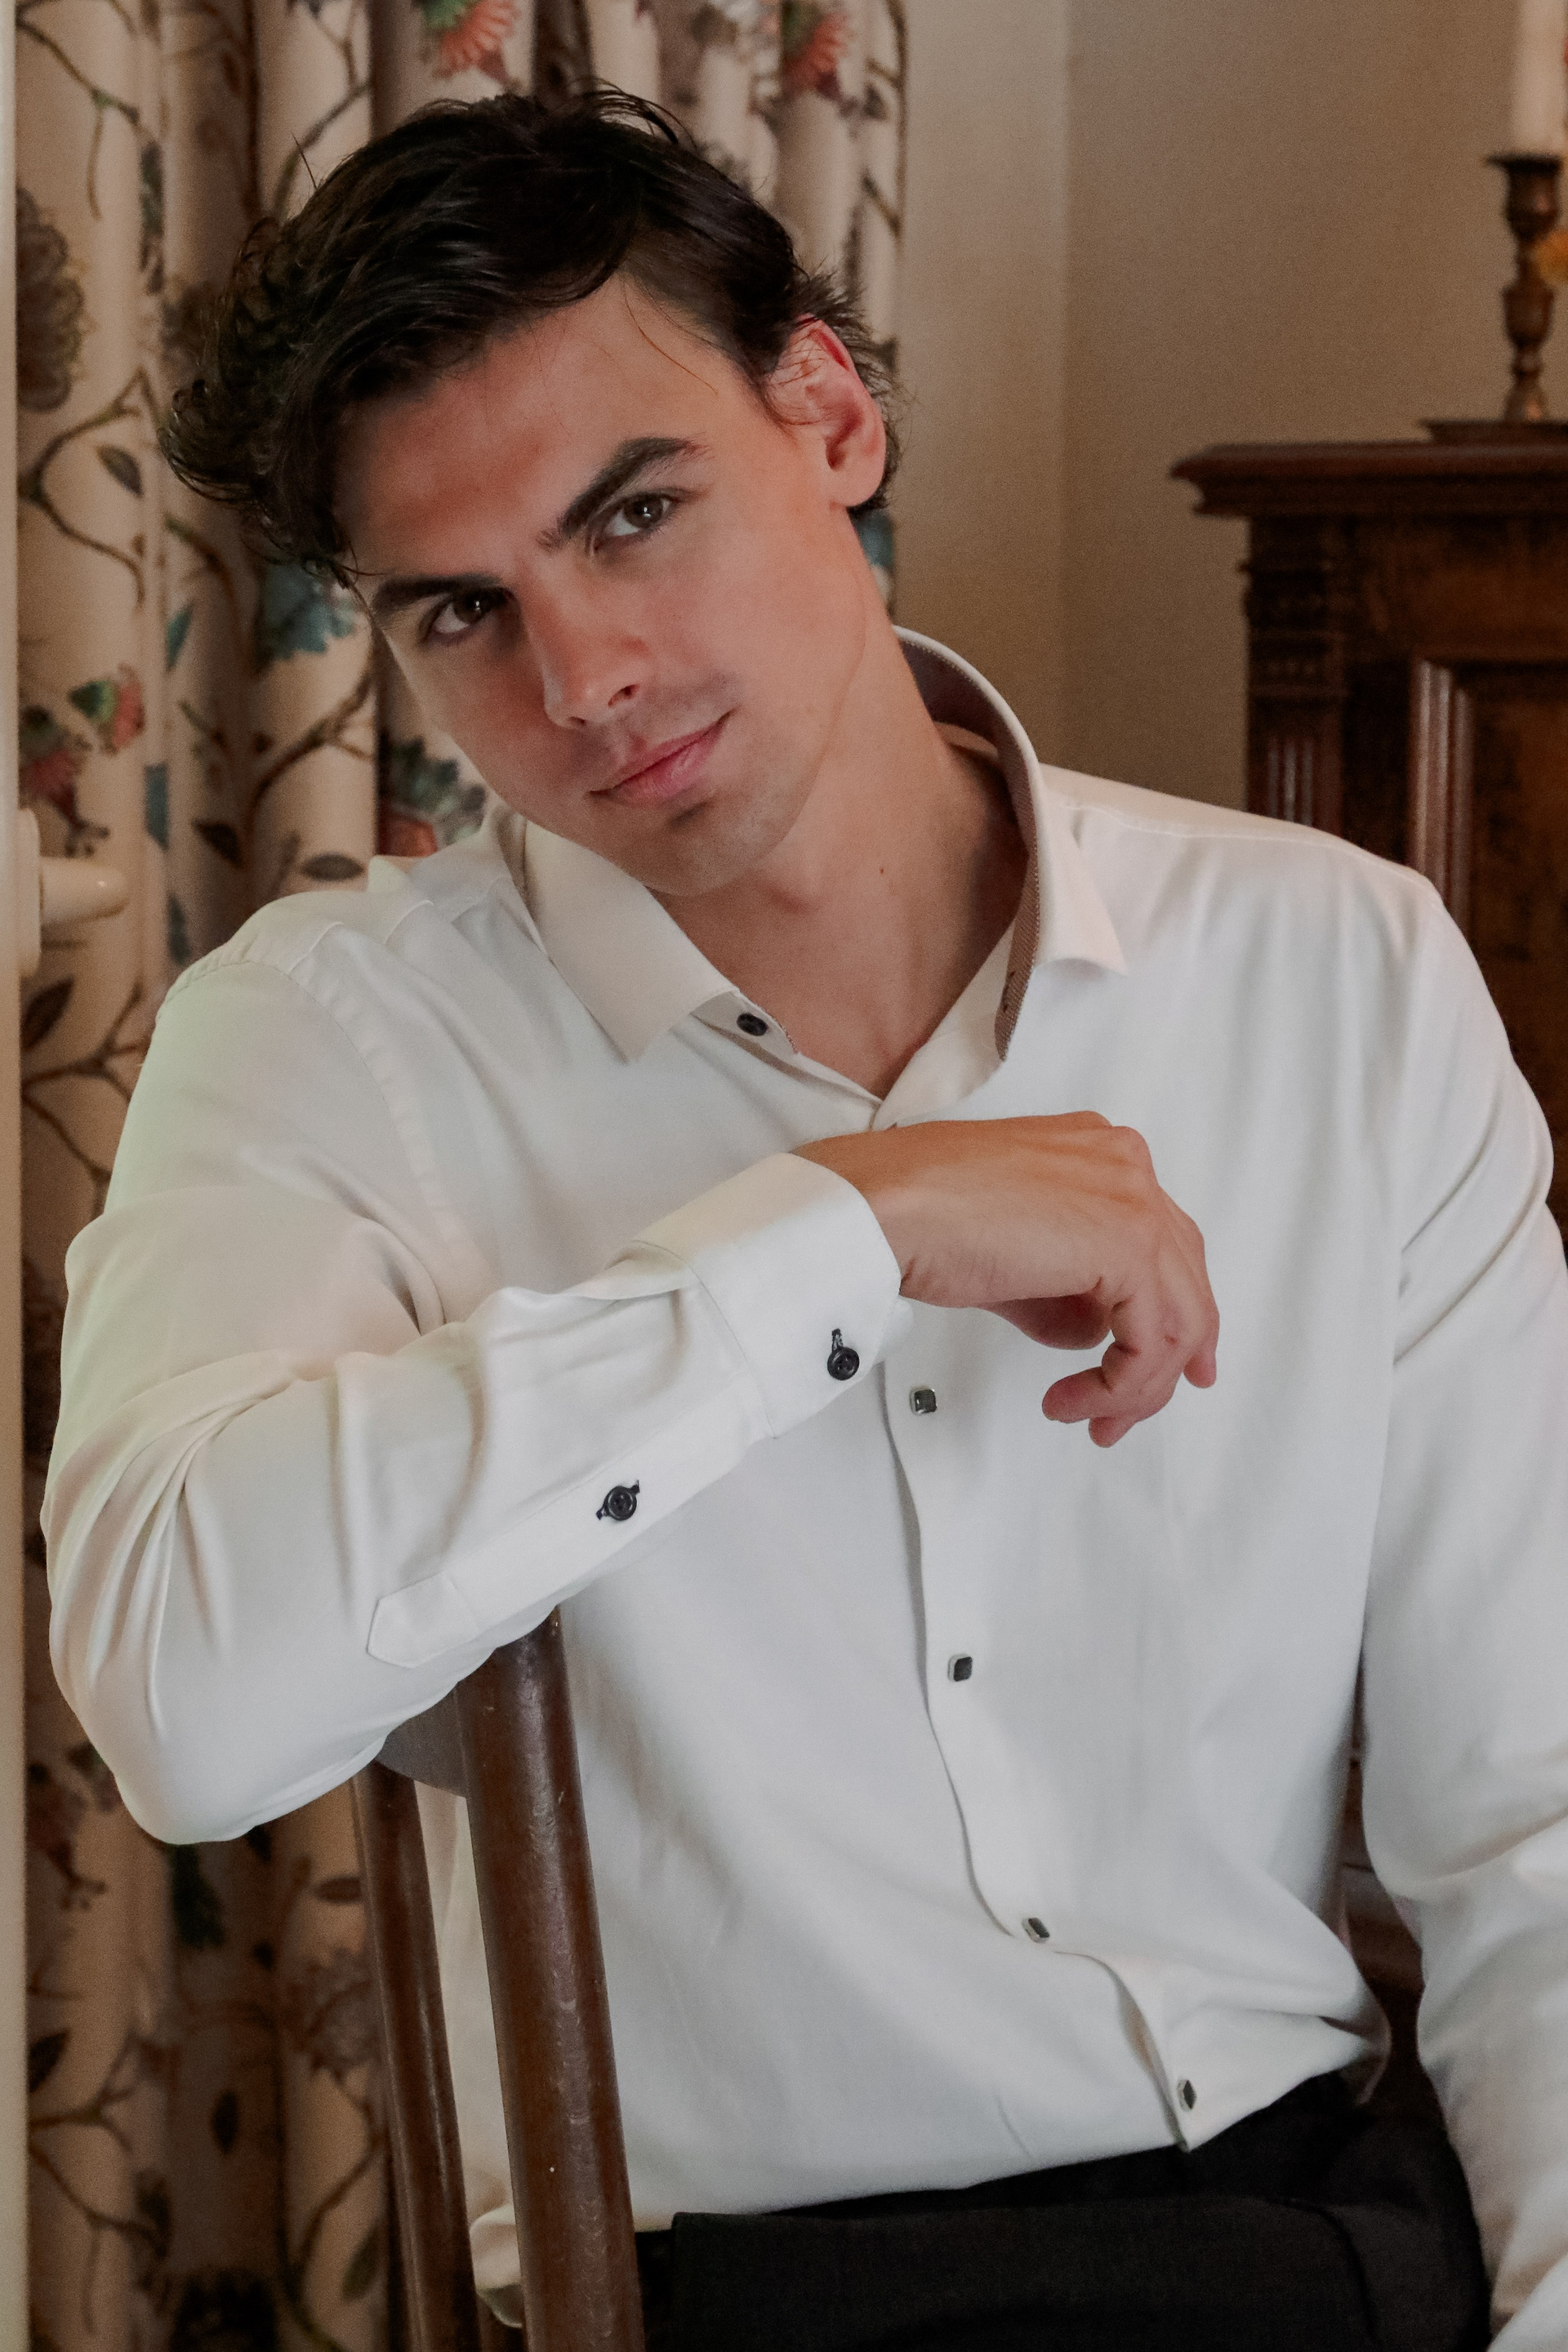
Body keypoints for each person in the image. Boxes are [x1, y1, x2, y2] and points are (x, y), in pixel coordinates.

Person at [42, 90, 1568, 2351]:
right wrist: (834, 1237)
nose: (582, 680)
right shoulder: (324, 1041)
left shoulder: (1335, 972)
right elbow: (182, 1700)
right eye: (465, 611)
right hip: (750, 2297)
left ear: (832, 415)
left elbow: (1533, 1822)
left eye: (634, 513)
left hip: (1325, 2248)